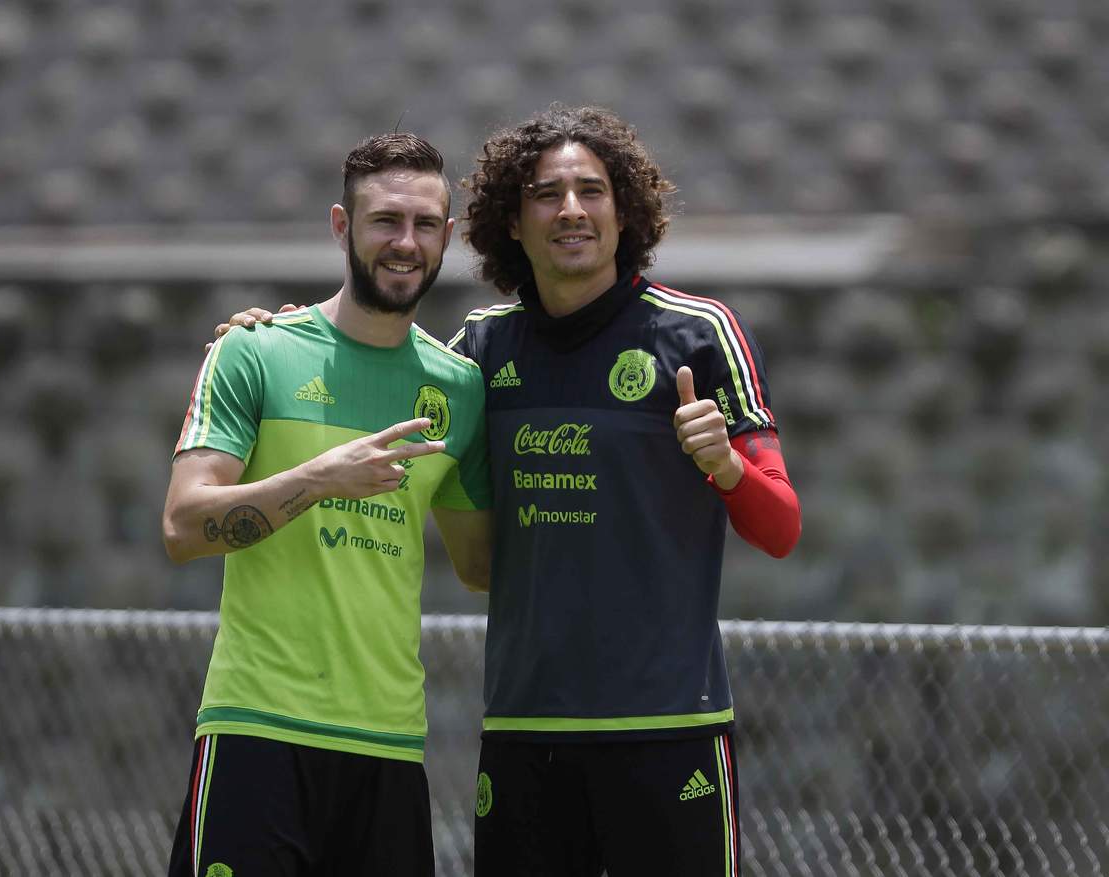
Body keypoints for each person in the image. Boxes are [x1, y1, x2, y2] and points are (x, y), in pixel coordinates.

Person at [217, 105, 801, 876]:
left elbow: (782, 526)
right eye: (545, 194)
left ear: (625, 211)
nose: (571, 210)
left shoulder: (700, 333)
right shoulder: (478, 354)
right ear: (511, 223)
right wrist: (283, 334)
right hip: (525, 737)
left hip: (668, 730)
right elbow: (373, 369)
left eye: (591, 191)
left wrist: (725, 466)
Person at [162, 132, 492, 877]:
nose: (405, 242)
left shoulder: (461, 390)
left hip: (388, 745)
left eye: (425, 224)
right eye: (385, 221)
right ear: (342, 226)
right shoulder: (255, 351)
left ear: (447, 236)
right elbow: (183, 526)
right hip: (257, 729)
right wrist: (319, 478)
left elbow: (482, 567)